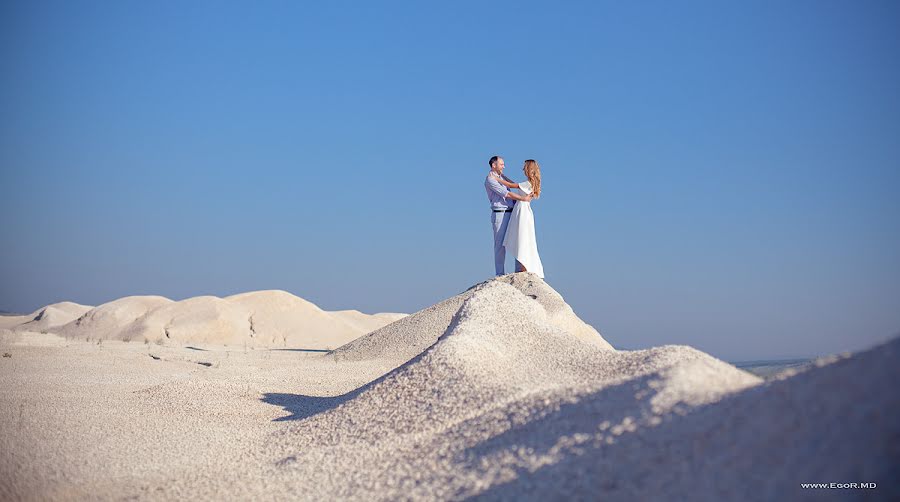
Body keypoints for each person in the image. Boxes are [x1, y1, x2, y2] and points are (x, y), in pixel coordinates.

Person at [494, 159, 544, 278]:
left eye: (524, 167)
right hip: (522, 210)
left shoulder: (528, 183)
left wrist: (496, 179)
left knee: (522, 237)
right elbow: (515, 184)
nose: (523, 169)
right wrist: (503, 176)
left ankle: (523, 266)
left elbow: (512, 185)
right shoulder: (529, 183)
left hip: (522, 211)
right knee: (521, 237)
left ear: (529, 169)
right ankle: (521, 265)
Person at [484, 155, 533, 276]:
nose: (504, 166)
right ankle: (500, 273)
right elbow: (506, 194)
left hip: (511, 212)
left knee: (518, 239)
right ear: (493, 165)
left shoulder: (500, 177)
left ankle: (519, 270)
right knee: (500, 245)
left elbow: (512, 184)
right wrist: (523, 198)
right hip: (500, 214)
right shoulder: (490, 180)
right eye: (501, 164)